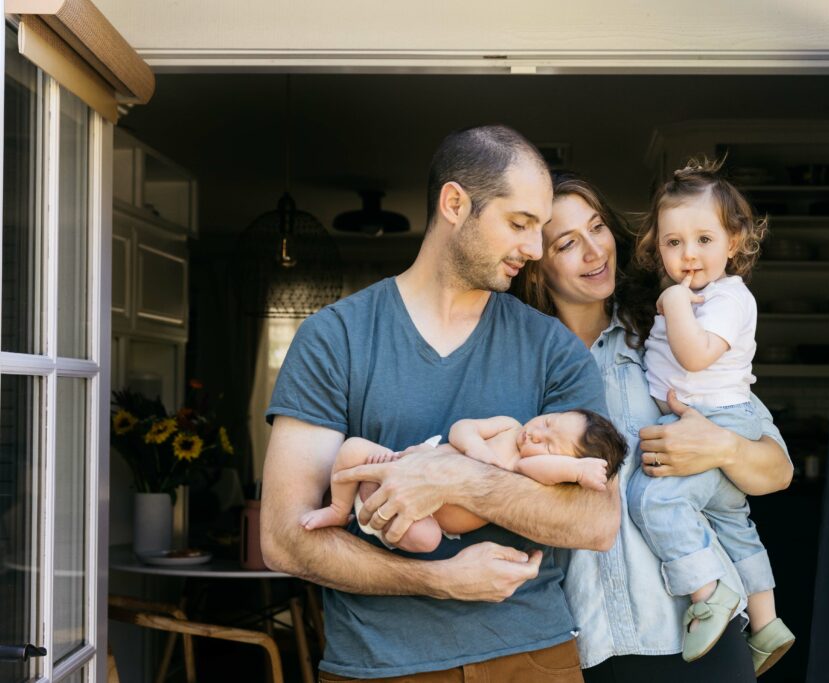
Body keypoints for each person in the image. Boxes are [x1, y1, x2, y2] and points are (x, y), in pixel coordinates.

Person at [261, 125, 619, 682]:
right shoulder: (336, 338)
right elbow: (285, 538)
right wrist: (439, 578)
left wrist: (455, 481)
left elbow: (597, 521)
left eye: (539, 229)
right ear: (455, 203)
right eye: (519, 224)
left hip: (530, 658)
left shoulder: (554, 349)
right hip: (379, 666)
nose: (533, 248)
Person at [514, 172, 793, 682]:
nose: (593, 251)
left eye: (597, 228)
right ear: (536, 267)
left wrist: (723, 447)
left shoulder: (669, 336)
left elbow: (777, 471)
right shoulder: (521, 368)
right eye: (567, 243)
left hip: (698, 629)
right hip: (585, 638)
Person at [626, 158, 794, 671]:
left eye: (703, 239)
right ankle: (766, 624)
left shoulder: (726, 298)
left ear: (734, 243)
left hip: (721, 421)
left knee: (654, 501)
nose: (688, 254)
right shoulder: (697, 296)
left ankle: (709, 593)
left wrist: (674, 304)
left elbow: (696, 356)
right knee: (731, 522)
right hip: (708, 421)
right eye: (674, 243)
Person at [300, 409, 626, 554]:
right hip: (403, 462)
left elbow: (544, 468)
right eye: (549, 422)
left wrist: (578, 471)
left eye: (550, 444)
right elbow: (461, 427)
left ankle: (373, 499)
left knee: (426, 541)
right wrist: (475, 448)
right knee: (354, 448)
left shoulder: (531, 469)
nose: (537, 433)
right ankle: (338, 507)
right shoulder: (509, 427)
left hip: (429, 519)